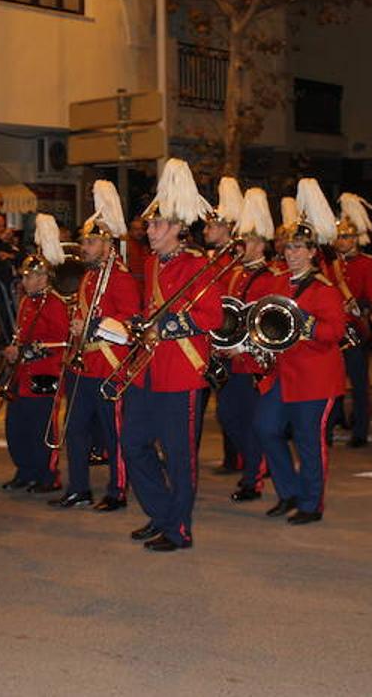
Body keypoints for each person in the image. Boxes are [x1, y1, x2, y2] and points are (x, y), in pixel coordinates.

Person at [122, 159, 223, 552]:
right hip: (147, 370)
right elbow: (152, 310)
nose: (149, 230)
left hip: (181, 373)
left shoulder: (197, 265)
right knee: (133, 444)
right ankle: (162, 513)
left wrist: (165, 327)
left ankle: (179, 528)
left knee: (180, 458)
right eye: (148, 224)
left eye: (157, 224)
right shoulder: (150, 263)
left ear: (178, 228)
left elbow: (210, 316)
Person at [254, 179, 346, 525]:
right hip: (283, 374)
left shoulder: (324, 290)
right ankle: (289, 491)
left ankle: (311, 503)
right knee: (264, 427)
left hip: (315, 378)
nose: (290, 254)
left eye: (298, 249)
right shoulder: (279, 283)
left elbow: (334, 332)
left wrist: (304, 325)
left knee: (309, 442)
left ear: (311, 252)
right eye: (287, 248)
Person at [49, 180, 140, 512]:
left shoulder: (122, 278)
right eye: (83, 241)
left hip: (109, 365)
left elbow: (128, 324)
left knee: (113, 432)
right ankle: (79, 487)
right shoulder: (89, 277)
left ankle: (117, 489)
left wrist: (91, 327)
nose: (84, 247)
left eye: (90, 241)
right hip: (83, 364)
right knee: (75, 431)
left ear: (106, 243)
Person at [217, 188, 278, 502]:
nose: (243, 247)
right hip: (232, 360)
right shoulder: (235, 274)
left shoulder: (272, 277)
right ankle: (255, 464)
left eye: (249, 242)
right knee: (228, 416)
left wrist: (243, 347)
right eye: (241, 242)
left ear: (262, 243)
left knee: (253, 420)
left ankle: (253, 477)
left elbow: (270, 323)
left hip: (255, 361)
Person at [0, 215, 69, 493]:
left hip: (45, 371)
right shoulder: (27, 301)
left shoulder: (54, 303)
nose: (26, 281)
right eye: (25, 276)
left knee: (42, 427)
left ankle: (47, 474)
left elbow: (60, 339)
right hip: (23, 373)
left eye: (30, 276)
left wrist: (26, 350)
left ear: (44, 277)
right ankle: (25, 469)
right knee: (17, 426)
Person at [332, 193, 372, 448]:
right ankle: (336, 418)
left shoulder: (366, 264)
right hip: (335, 328)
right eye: (340, 236)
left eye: (347, 237)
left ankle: (360, 428)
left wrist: (358, 306)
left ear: (356, 239)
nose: (342, 241)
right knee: (333, 378)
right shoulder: (333, 266)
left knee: (359, 381)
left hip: (355, 328)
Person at [204, 176, 244, 473]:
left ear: (228, 228)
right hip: (207, 338)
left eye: (213, 226)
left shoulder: (235, 259)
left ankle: (239, 458)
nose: (207, 231)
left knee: (231, 407)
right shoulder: (210, 258)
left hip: (229, 336)